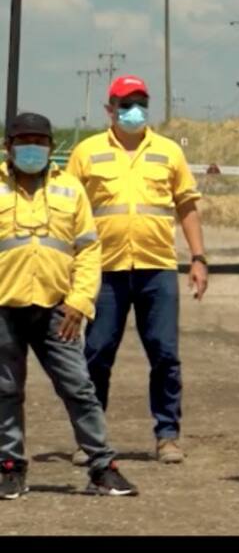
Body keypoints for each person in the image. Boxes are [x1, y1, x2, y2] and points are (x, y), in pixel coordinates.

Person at [67, 75, 208, 466]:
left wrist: (198, 258)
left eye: (140, 103)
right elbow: (68, 210)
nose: (134, 111)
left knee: (165, 354)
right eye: (126, 104)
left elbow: (186, 206)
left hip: (156, 268)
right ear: (109, 109)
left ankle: (168, 436)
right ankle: (90, 439)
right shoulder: (86, 152)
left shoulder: (168, 152)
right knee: (96, 354)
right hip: (104, 270)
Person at [0, 112, 138, 498]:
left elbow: (88, 249)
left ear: (51, 147)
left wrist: (79, 301)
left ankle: (102, 467)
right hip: (4, 307)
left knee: (79, 387)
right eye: (24, 141)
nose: (32, 148)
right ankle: (10, 466)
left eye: (40, 142)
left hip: (58, 310)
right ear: (9, 147)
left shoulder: (70, 189)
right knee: (5, 391)